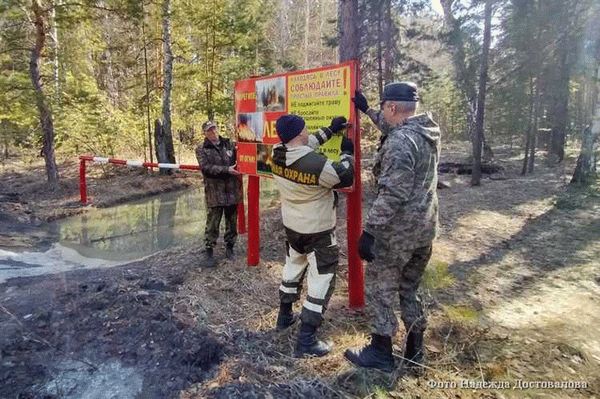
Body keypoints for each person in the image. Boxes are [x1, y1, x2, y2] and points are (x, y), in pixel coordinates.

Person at [344, 82, 441, 374]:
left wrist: (370, 231)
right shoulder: (426, 132)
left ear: (393, 108)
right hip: (424, 230)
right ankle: (414, 351)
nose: (383, 113)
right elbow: (393, 130)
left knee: (380, 288)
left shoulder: (400, 142)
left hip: (397, 233)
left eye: (384, 107)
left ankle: (381, 353)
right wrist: (368, 111)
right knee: (409, 289)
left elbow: (393, 193)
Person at [272, 114, 354, 357]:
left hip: (293, 228)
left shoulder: (276, 153)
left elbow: (306, 147)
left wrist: (330, 130)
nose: (308, 130)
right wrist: (347, 153)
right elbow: (343, 175)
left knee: (292, 269)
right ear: (298, 133)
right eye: (305, 128)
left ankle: (284, 316)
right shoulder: (316, 164)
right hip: (317, 232)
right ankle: (307, 340)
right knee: (321, 280)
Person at [196, 121, 242, 268]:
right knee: (212, 224)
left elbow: (242, 157)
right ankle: (209, 251)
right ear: (205, 133)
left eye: (214, 128)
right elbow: (206, 168)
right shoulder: (201, 148)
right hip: (215, 193)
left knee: (232, 222)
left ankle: (230, 248)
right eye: (209, 130)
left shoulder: (229, 144)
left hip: (232, 191)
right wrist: (226, 170)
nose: (213, 131)